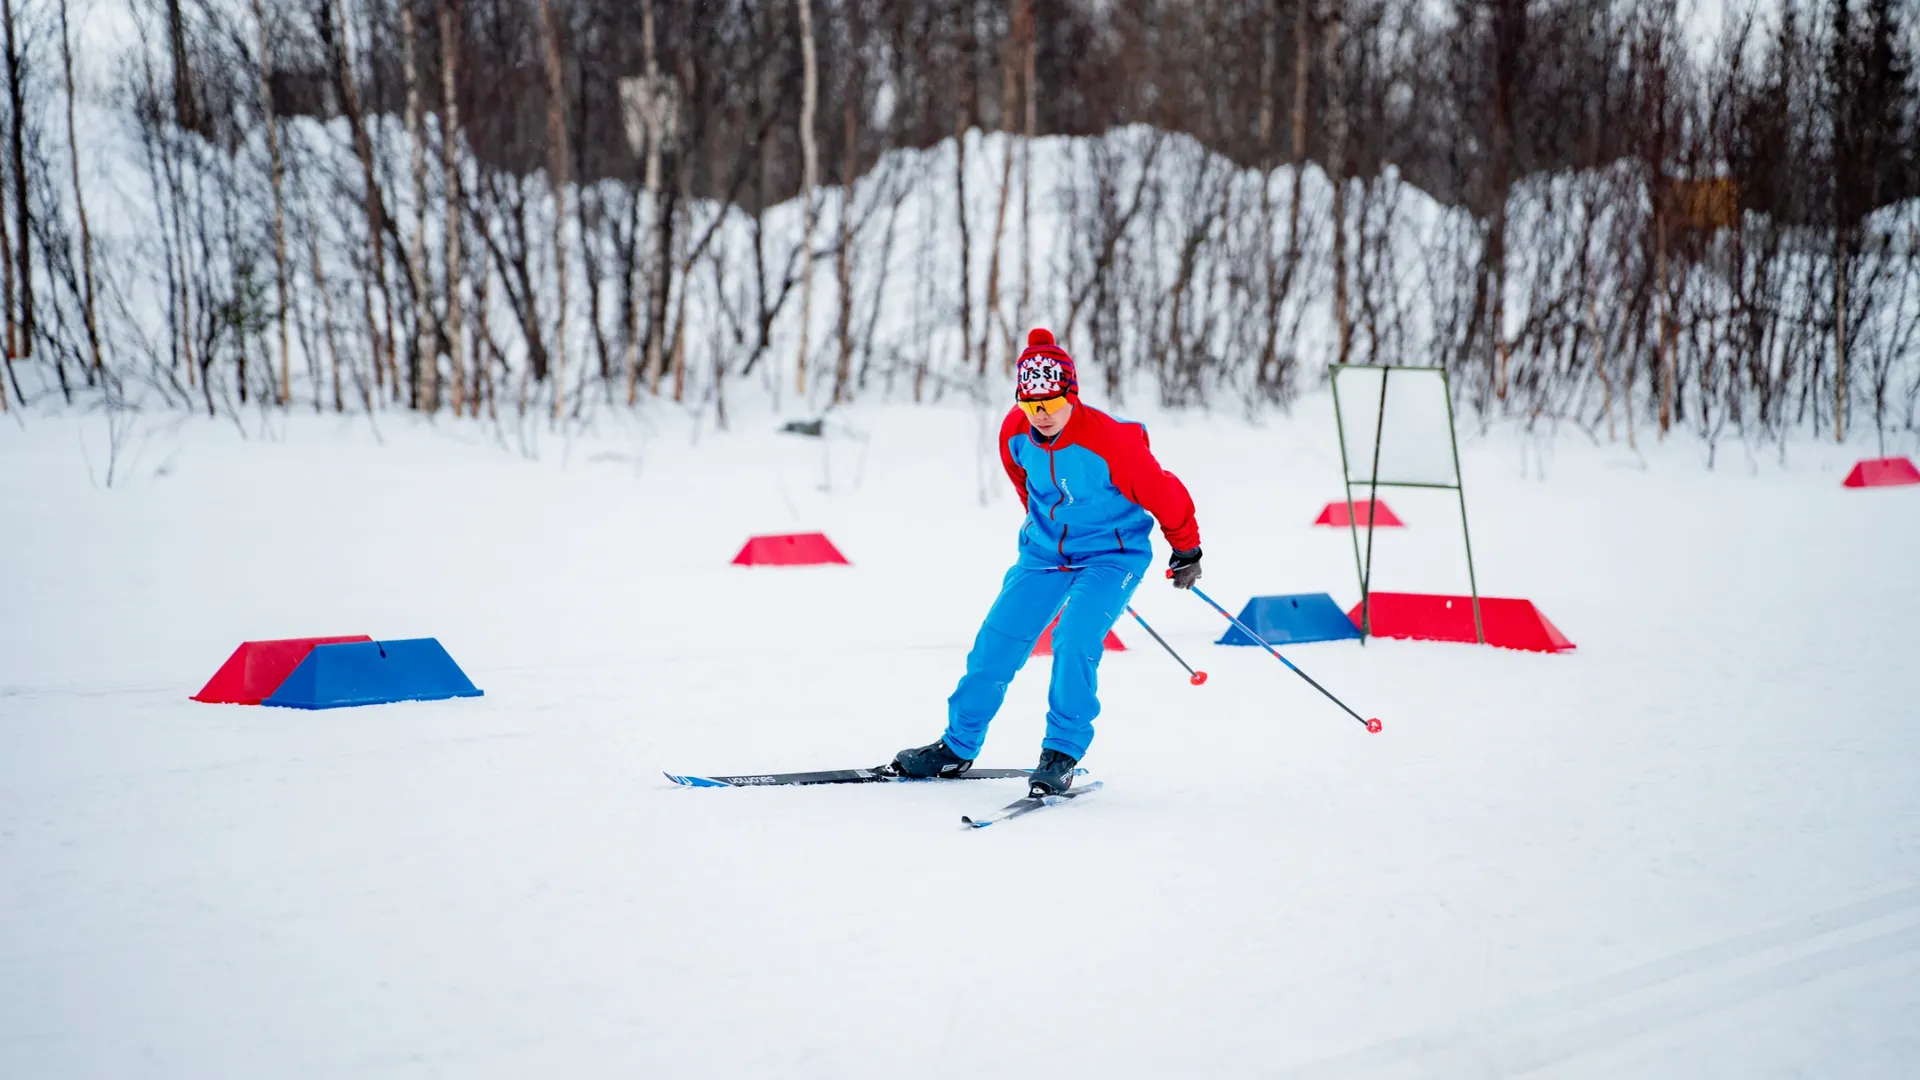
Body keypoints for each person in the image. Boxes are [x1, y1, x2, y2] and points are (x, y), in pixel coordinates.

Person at [891, 328, 1204, 795]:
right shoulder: (1015, 433)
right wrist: (1046, 534)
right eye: (1030, 405)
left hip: (1112, 556)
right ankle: (957, 746)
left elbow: (1165, 492)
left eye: (1051, 406)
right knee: (993, 647)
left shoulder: (1110, 442)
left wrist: (1186, 550)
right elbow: (1028, 490)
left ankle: (1062, 752)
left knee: (1074, 639)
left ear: (1070, 397)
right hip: (1044, 554)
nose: (1041, 417)